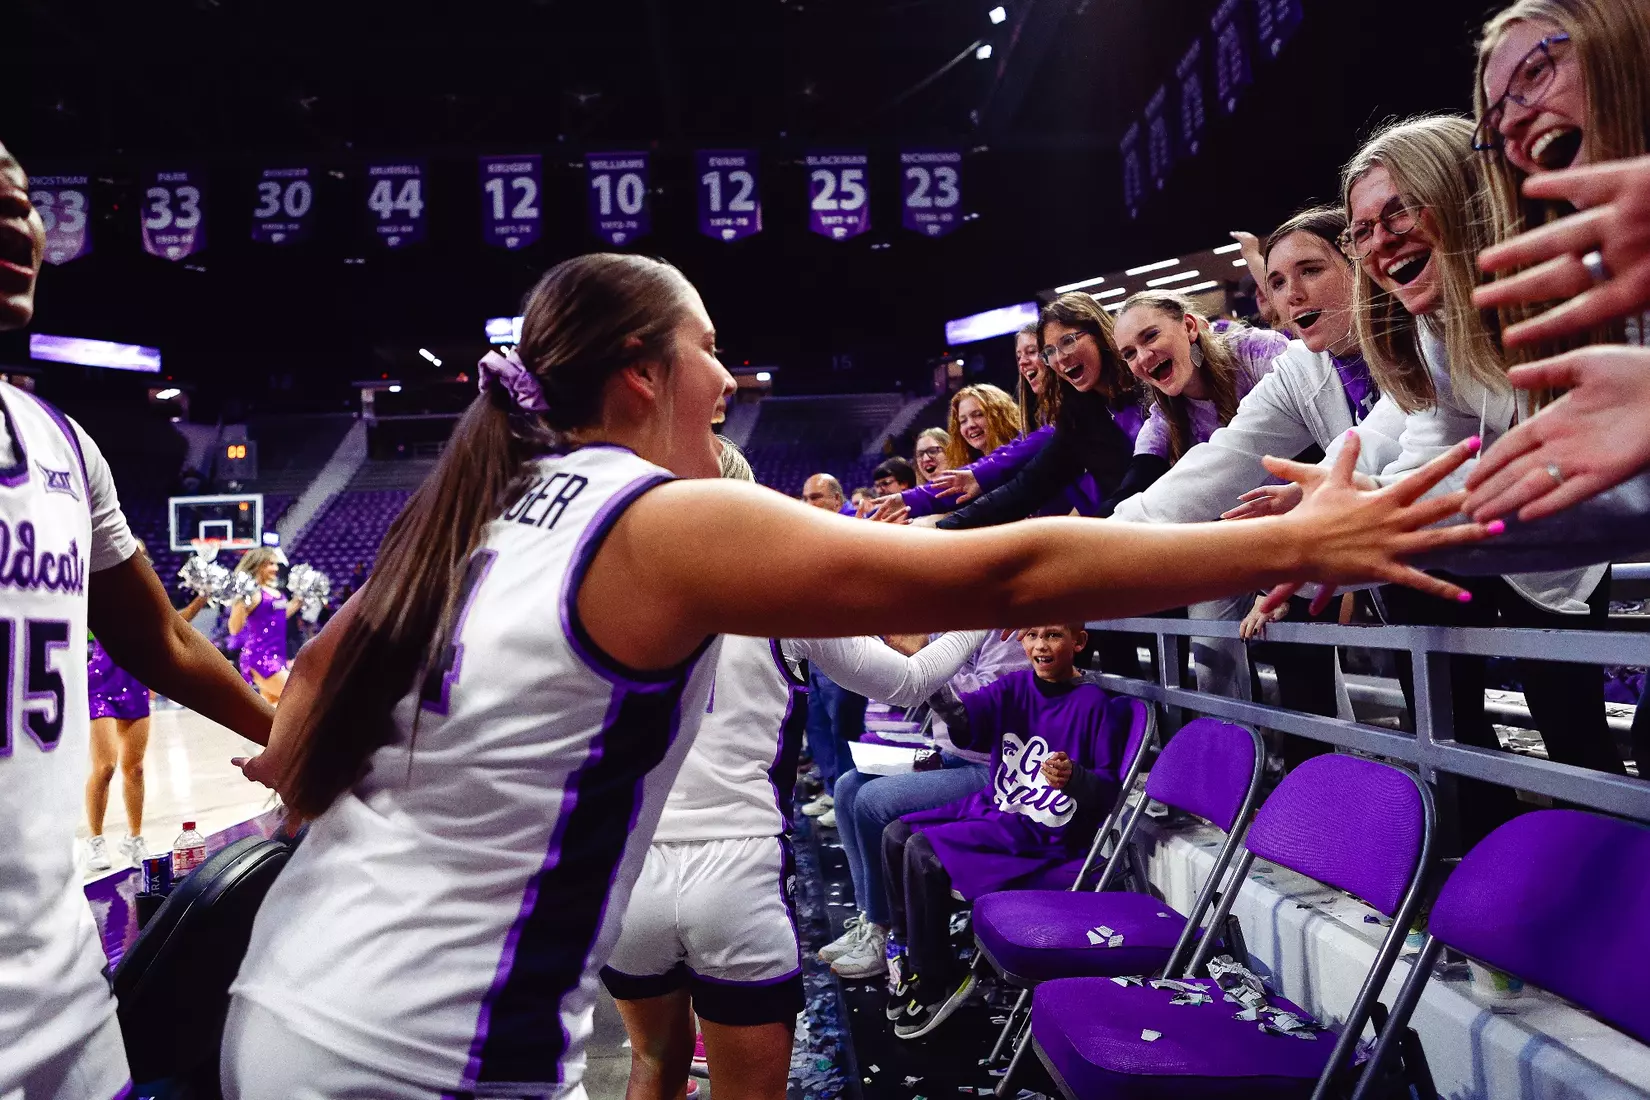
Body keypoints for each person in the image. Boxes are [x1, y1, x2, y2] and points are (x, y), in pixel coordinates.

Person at [221, 252, 1490, 1100]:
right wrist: (1297, 537)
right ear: (639, 372)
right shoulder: (654, 514)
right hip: (425, 1041)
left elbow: (306, 713)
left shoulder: (481, 513)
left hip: (289, 994)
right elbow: (1006, 574)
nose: (728, 379)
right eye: (707, 349)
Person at [0, 140, 275, 1100]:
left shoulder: (64, 448)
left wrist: (299, 741)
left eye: (25, 201)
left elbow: (160, 638)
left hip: (63, 1003)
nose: (15, 220)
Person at [1334, 116, 1626, 837]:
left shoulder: (1559, 276)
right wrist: (1361, 513)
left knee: (1579, 743)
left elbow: (1582, 470)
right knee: (1506, 729)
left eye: (1397, 210)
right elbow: (1440, 441)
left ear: (1460, 191)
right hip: (1537, 538)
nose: (1380, 240)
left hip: (1570, 548)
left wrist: (1368, 521)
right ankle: (1512, 862)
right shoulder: (1438, 324)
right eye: (1363, 229)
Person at [1112, 207, 1402, 752]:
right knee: (1218, 648)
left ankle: (1340, 774)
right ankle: (1244, 770)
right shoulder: (1173, 414)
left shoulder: (1269, 353)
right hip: (1305, 537)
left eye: (1310, 271)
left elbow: (1388, 444)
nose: (1292, 296)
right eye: (1275, 281)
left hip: (1332, 536)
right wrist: (1092, 547)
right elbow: (1197, 476)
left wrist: (1299, 522)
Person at [883, 624, 1122, 1039]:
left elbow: (1106, 792)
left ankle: (939, 979)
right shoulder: (1014, 686)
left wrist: (1074, 777)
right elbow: (962, 720)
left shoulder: (1097, 704)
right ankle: (910, 954)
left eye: (1053, 635)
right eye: (1031, 635)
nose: (1040, 645)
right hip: (1000, 806)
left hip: (1046, 828)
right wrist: (924, 666)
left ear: (1079, 642)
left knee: (924, 851)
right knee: (895, 834)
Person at [823, 629, 1030, 981]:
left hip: (994, 768)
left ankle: (885, 927)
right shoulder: (956, 618)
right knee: (847, 787)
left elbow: (979, 715)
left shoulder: (1010, 629)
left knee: (873, 801)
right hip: (952, 754)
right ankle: (870, 918)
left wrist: (926, 656)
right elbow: (907, 689)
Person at [935, 294, 1140, 529]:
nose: (1060, 357)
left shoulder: (1150, 388)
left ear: (1099, 334)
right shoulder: (1077, 418)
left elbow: (1140, 485)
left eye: (1068, 341)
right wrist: (943, 527)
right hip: (1130, 535)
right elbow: (1028, 486)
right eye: (1049, 351)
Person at [84, 549, 158, 871]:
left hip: (136, 681)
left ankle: (134, 838)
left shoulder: (148, 595)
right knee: (105, 767)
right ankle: (95, 840)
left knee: (136, 768)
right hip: (100, 682)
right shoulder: (93, 589)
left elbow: (164, 635)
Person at [226, 547, 301, 704]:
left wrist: (301, 597)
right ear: (257, 565)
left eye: (275, 564)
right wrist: (240, 599)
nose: (275, 568)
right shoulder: (253, 594)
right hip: (260, 658)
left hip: (278, 656)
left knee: (275, 711)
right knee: (299, 699)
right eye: (270, 564)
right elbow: (234, 628)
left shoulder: (277, 593)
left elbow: (281, 615)